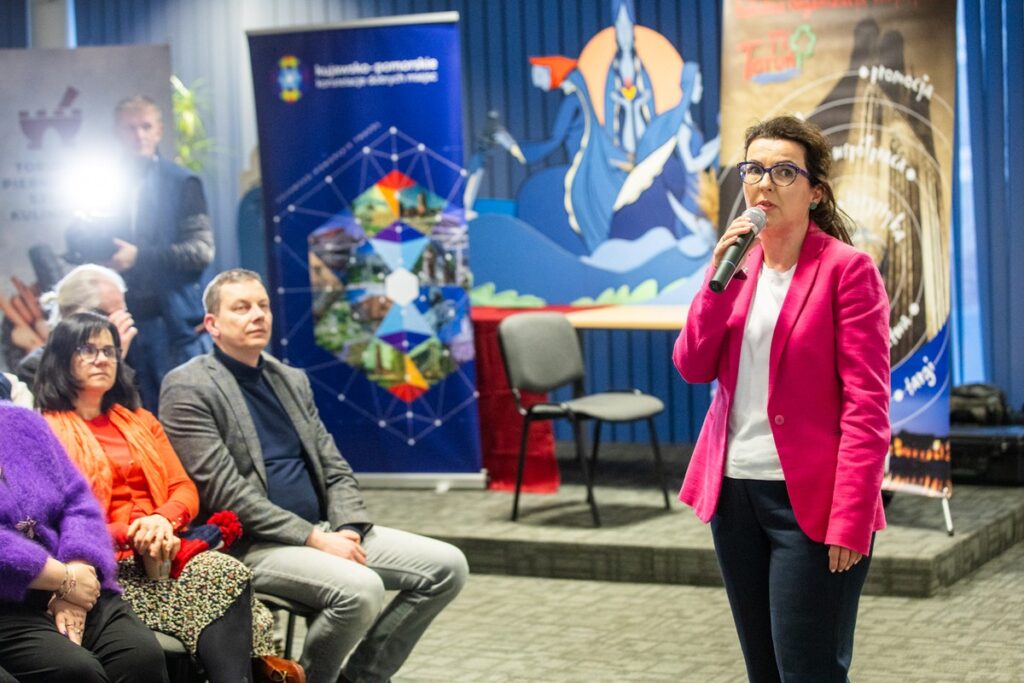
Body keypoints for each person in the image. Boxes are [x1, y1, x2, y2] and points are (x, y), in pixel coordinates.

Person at [159, 269, 469, 683]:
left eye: (263, 306)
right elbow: (226, 492)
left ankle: (360, 678)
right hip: (253, 544)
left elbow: (334, 466)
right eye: (241, 307)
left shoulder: (289, 379)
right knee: (362, 590)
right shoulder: (188, 386)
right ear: (212, 324)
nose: (257, 315)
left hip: (327, 531)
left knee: (449, 566)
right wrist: (314, 538)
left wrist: (348, 528)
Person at [673, 115, 890, 682]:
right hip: (735, 495)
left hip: (813, 504)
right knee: (763, 670)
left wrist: (853, 516)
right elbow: (693, 365)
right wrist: (718, 284)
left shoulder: (848, 272)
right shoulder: (733, 265)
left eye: (784, 171)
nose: (764, 183)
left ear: (815, 191)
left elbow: (867, 408)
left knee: (809, 668)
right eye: (754, 170)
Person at [33, 312, 303, 683]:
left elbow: (183, 487)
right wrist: (131, 532)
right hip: (99, 567)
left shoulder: (140, 420)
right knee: (224, 586)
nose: (101, 359)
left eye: (109, 351)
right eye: (87, 350)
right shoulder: (42, 431)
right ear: (61, 358)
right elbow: (53, 519)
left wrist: (162, 520)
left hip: (162, 553)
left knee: (227, 572)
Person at [0, 402, 168, 682]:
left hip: (77, 578)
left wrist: (78, 567)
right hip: (10, 603)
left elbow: (79, 501)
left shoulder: (21, 421)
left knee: (140, 657)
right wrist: (63, 580)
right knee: (76, 671)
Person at [108, 95, 214, 411]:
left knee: (184, 420)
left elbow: (201, 251)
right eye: (130, 128)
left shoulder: (182, 182)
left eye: (146, 126)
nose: (139, 135)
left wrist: (139, 256)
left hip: (174, 330)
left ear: (159, 131)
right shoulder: (103, 182)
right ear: (116, 133)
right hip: (119, 329)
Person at [15, 264, 137, 387]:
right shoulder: (35, 367)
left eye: (122, 313)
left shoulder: (125, 348)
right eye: (108, 315)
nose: (118, 324)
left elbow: (130, 404)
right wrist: (112, 361)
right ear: (76, 316)